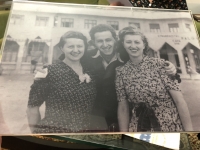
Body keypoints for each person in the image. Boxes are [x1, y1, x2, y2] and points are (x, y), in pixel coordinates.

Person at [87, 24, 178, 131]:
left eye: (108, 40)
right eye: (100, 41)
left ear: (115, 40)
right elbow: (64, 59)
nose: (105, 44)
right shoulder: (87, 57)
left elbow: (150, 66)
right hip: (98, 116)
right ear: (93, 42)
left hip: (126, 113)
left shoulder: (127, 55)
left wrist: (172, 69)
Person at [115, 26, 193, 132]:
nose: (133, 46)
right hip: (139, 126)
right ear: (123, 45)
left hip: (169, 124)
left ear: (144, 45)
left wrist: (189, 132)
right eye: (128, 42)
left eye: (137, 42)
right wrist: (123, 135)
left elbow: (179, 101)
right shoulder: (121, 72)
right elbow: (123, 107)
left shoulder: (160, 65)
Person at [27, 31, 97, 133]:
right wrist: (36, 136)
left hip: (83, 133)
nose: (76, 50)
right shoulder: (48, 71)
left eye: (79, 46)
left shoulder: (90, 71)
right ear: (61, 48)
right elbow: (32, 107)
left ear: (85, 48)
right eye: (70, 46)